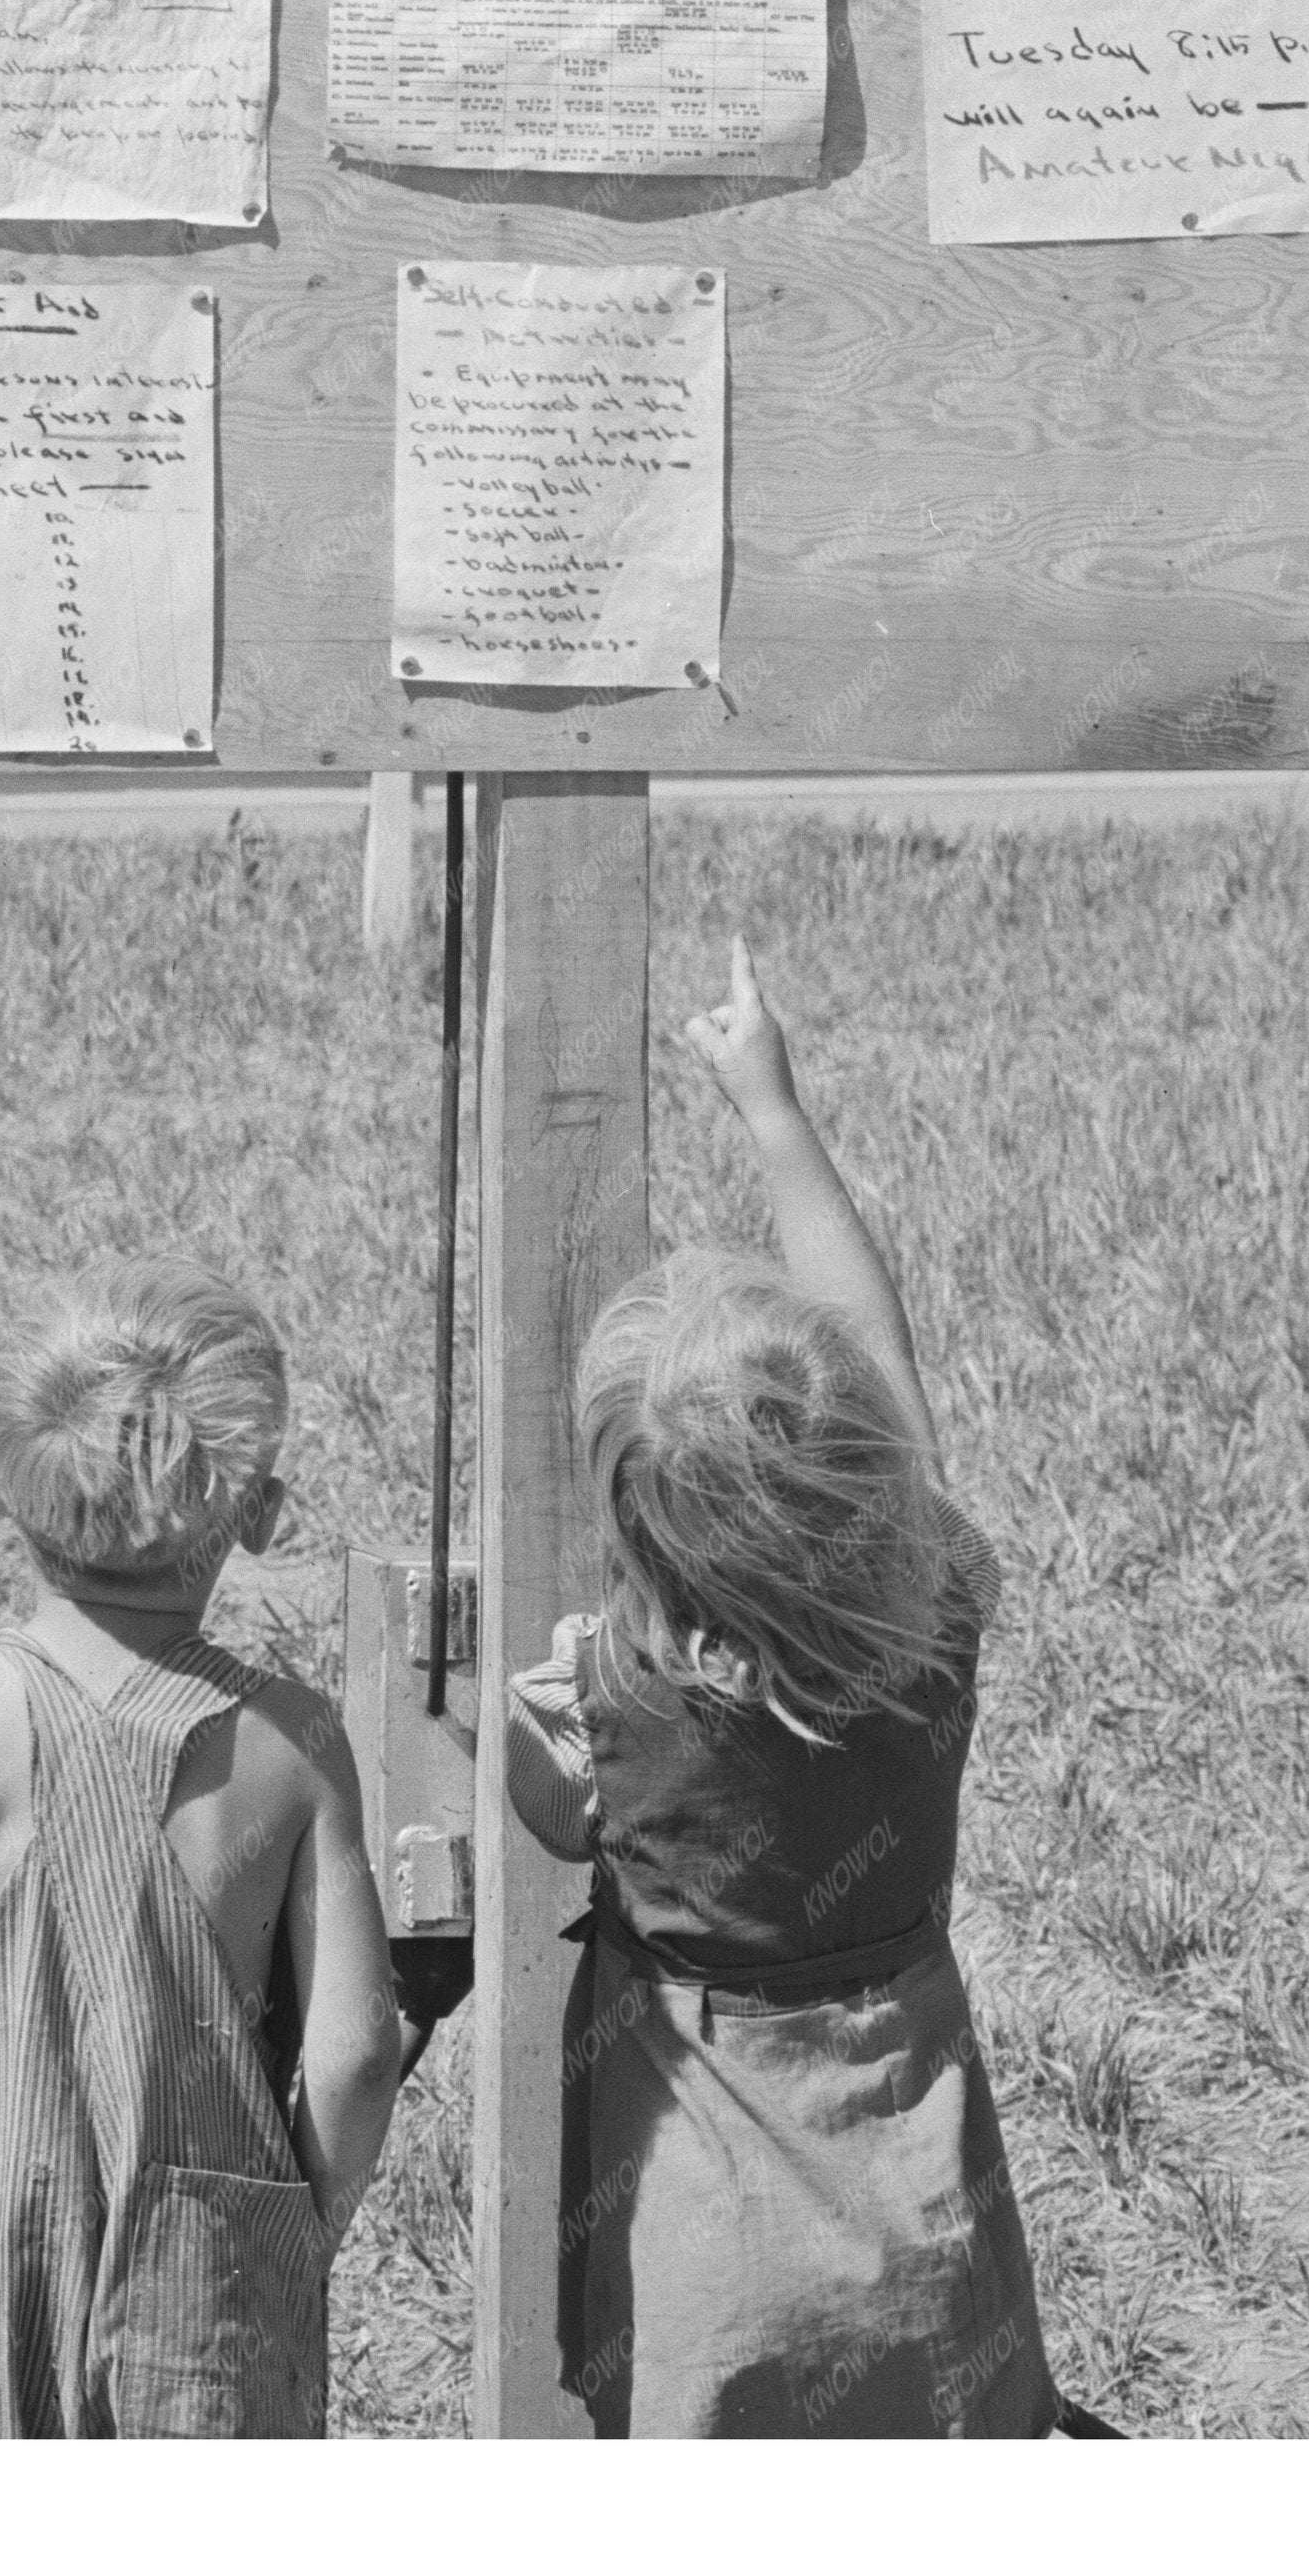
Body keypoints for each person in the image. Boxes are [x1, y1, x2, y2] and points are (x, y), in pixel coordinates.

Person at [499, 938, 1052, 2438]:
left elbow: (548, 1821)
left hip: (705, 2255)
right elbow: (876, 1348)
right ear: (870, 1476)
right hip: (918, 2206)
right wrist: (771, 1109)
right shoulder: (936, 1608)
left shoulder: (596, 1704)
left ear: (636, 1532)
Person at [0, 1263, 409, 2435]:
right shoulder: (287, 1741)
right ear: (259, 1512)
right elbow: (355, 2054)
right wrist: (308, 2222)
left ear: (1, 1487)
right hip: (204, 2284)